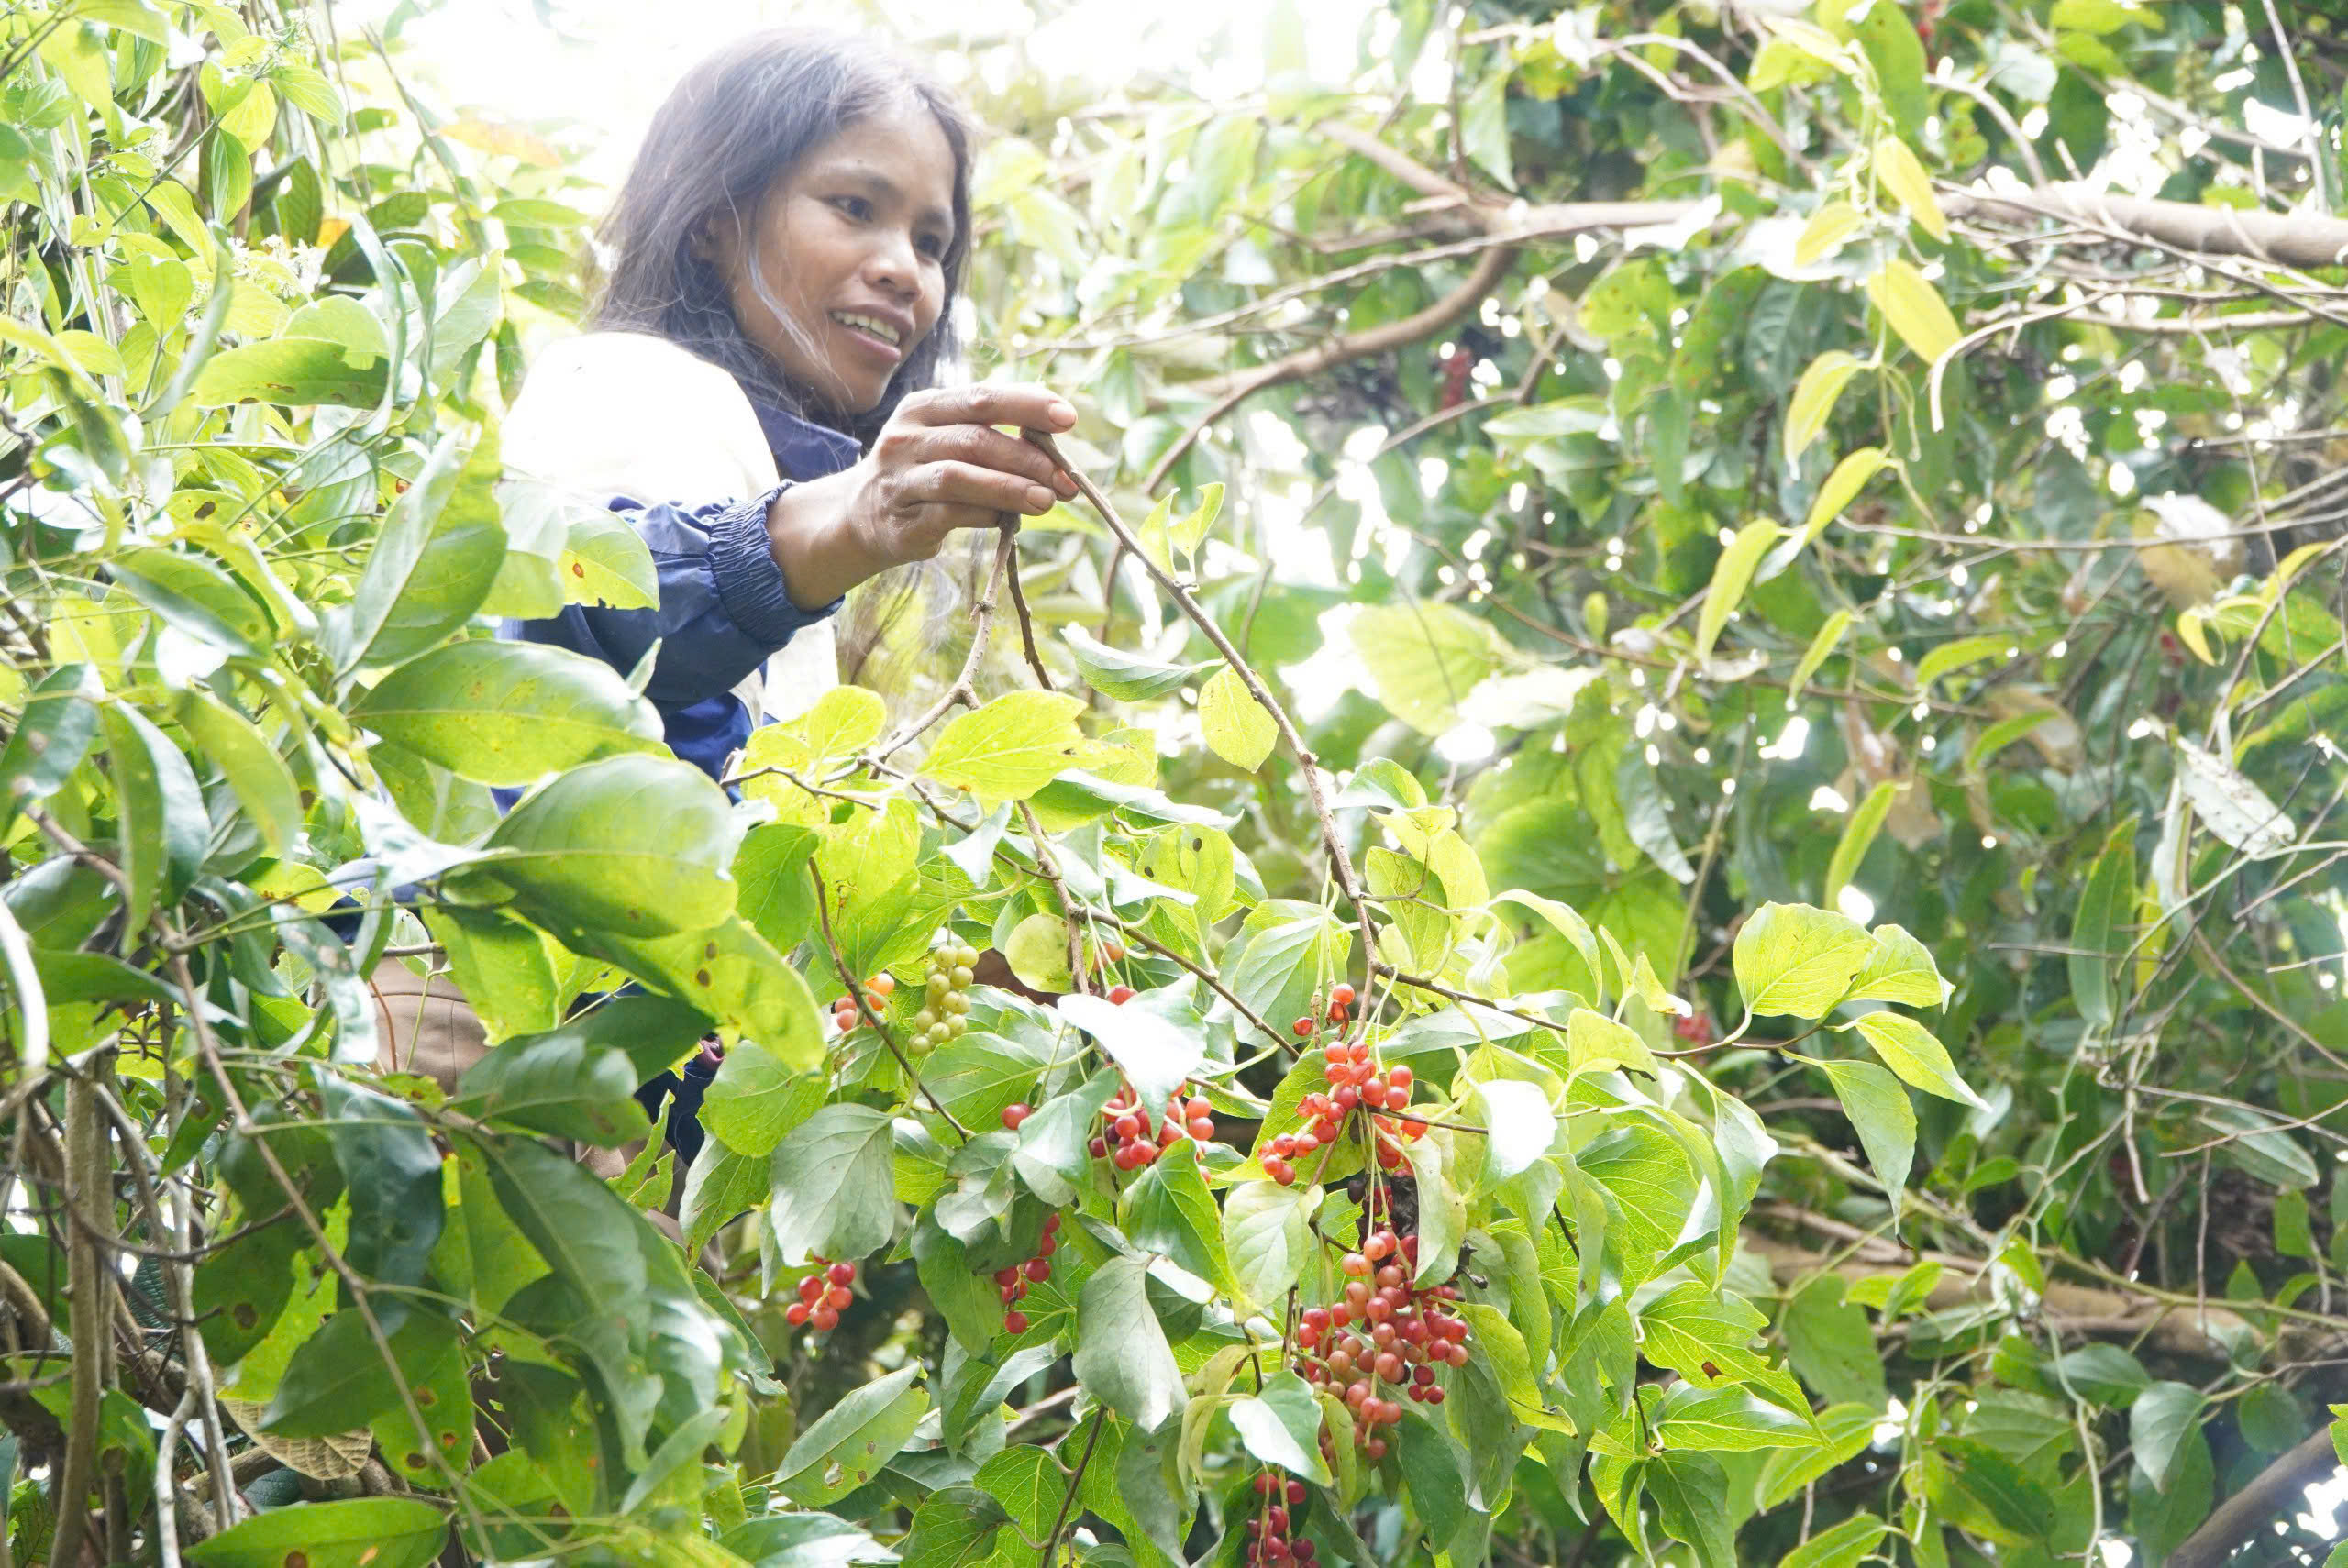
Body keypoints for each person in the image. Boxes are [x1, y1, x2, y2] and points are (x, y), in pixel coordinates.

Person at [371, 28, 1079, 1168]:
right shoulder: (634, 381)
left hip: (619, 1115)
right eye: (855, 206)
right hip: (479, 1036)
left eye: (931, 240)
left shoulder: (778, 478)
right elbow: (591, 615)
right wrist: (842, 526)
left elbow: (735, 841)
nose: (907, 267)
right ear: (715, 219)